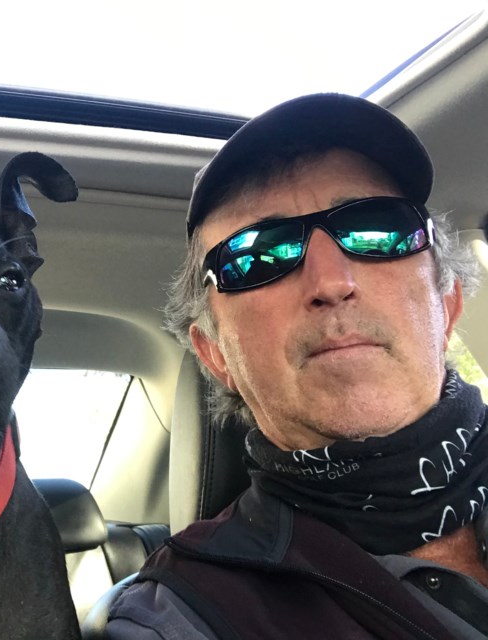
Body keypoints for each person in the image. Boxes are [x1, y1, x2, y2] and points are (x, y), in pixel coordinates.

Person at [106, 93, 488, 639]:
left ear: (447, 304)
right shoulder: (182, 614)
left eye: (376, 229)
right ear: (216, 356)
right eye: (259, 254)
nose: (332, 282)